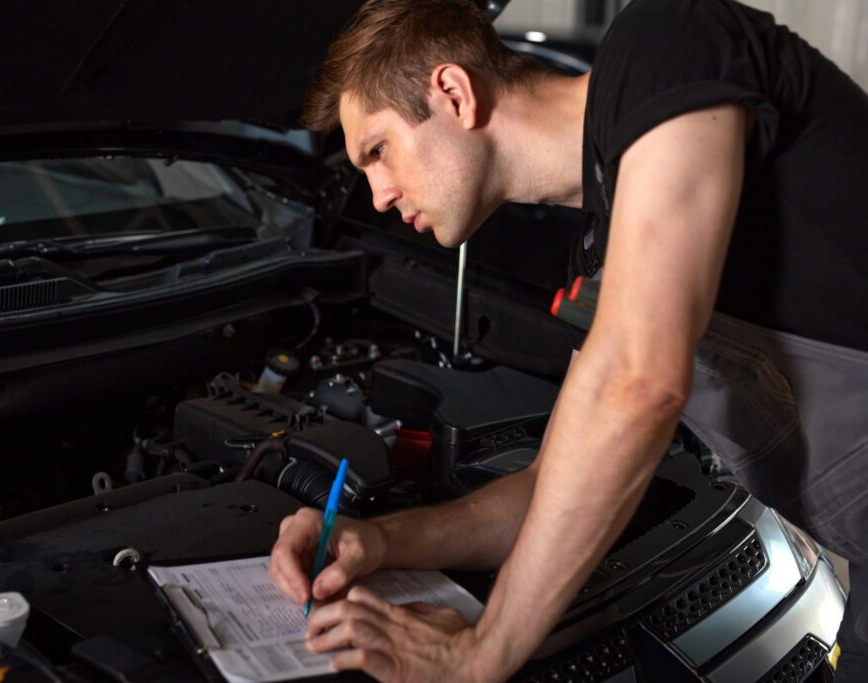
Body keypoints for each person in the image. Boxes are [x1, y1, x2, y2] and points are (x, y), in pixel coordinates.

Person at [266, 0, 868, 681]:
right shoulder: (601, 248)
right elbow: (549, 487)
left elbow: (639, 383)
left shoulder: (667, 42)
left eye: (377, 149)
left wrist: (480, 653)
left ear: (454, 94)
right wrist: (378, 539)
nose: (374, 195)